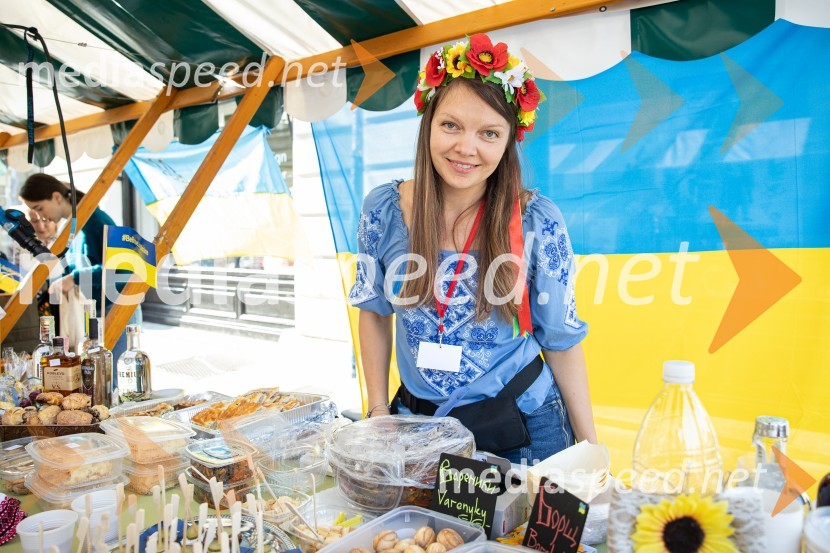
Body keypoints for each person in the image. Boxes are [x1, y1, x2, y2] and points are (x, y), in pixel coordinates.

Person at [349, 34, 597, 463]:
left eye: (489, 133)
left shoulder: (537, 220)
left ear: (508, 142)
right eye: (451, 125)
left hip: (522, 427)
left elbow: (560, 341)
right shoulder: (384, 209)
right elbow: (373, 310)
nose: (466, 148)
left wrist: (591, 451)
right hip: (415, 428)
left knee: (513, 534)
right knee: (421, 533)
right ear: (428, 123)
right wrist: (378, 411)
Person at [18, 173, 140, 362]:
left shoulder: (95, 220)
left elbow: (124, 269)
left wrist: (73, 278)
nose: (40, 216)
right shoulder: (74, 227)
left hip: (117, 307)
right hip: (96, 311)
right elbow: (69, 267)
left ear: (57, 197)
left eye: (39, 208)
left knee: (114, 378)